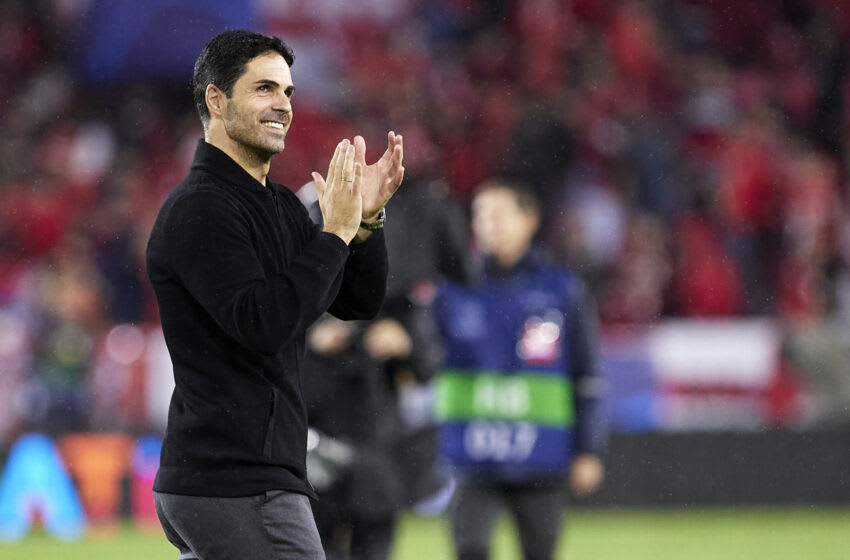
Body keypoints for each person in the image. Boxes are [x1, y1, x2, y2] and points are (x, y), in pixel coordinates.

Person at [145, 29, 404, 560]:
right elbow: (264, 323)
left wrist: (364, 224)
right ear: (217, 100)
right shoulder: (201, 208)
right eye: (264, 88)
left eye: (287, 92)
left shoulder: (279, 205)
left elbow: (355, 301)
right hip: (236, 481)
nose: (283, 105)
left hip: (232, 478)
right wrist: (334, 234)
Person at [433, 179, 607, 560]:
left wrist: (589, 450)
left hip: (541, 457)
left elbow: (587, 377)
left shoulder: (563, 291)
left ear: (529, 220)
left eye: (497, 214)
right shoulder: (451, 290)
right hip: (473, 457)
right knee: (471, 550)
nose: (487, 224)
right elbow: (424, 357)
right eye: (480, 215)